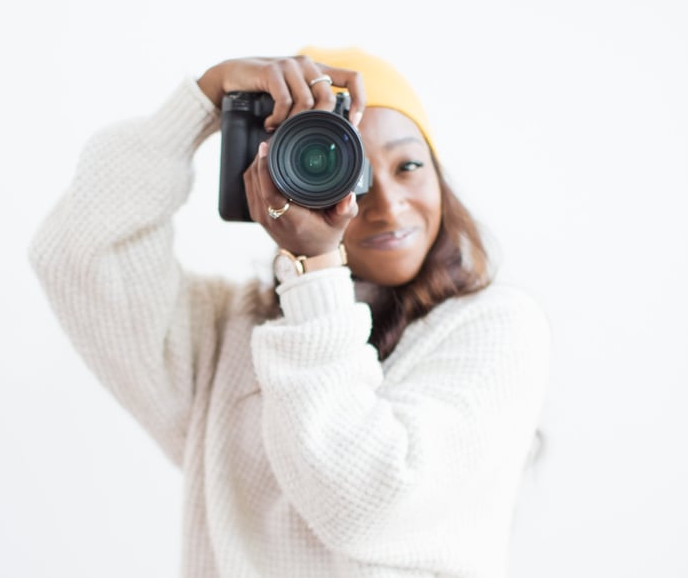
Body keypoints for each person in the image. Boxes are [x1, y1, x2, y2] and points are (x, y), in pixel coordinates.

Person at [29, 46, 551, 578]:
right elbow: (77, 253)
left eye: (409, 166)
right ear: (280, 177)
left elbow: (367, 506)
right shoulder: (227, 336)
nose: (388, 205)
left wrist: (314, 264)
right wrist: (205, 101)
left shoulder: (495, 328)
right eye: (349, 173)